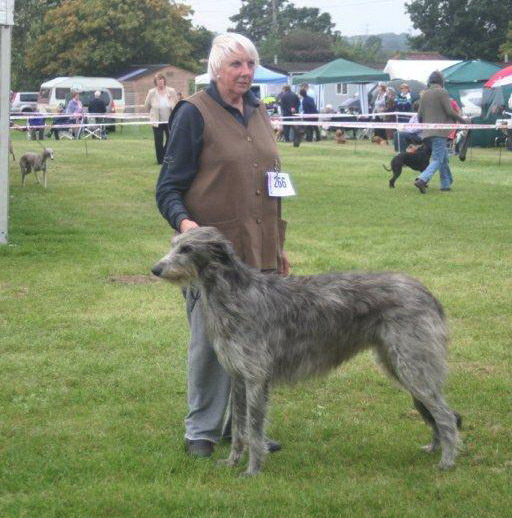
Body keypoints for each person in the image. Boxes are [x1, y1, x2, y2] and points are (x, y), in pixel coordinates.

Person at [155, 33, 290, 458]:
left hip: (261, 248)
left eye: (250, 64)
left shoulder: (258, 111)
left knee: (257, 347)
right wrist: (186, 223)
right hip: (212, 259)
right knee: (210, 347)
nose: (245, 72)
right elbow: (168, 188)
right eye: (236, 65)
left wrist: (279, 242)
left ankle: (247, 429)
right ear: (216, 69)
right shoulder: (193, 113)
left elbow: (272, 181)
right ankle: (202, 431)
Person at [414, 71, 468, 194]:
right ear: (441, 82)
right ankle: (422, 179)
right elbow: (449, 111)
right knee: (437, 159)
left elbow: (419, 116)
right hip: (438, 133)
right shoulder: (442, 92)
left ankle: (446, 184)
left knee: (443, 158)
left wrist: (425, 128)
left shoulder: (425, 94)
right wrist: (463, 120)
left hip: (426, 134)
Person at [145, 73, 178, 165]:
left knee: (170, 139)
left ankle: (164, 155)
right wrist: (152, 114)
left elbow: (176, 104)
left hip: (169, 120)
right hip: (157, 121)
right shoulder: (151, 92)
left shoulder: (171, 91)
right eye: (158, 81)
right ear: (155, 82)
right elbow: (147, 105)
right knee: (158, 140)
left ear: (164, 81)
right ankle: (160, 160)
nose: (161, 82)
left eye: (162, 80)